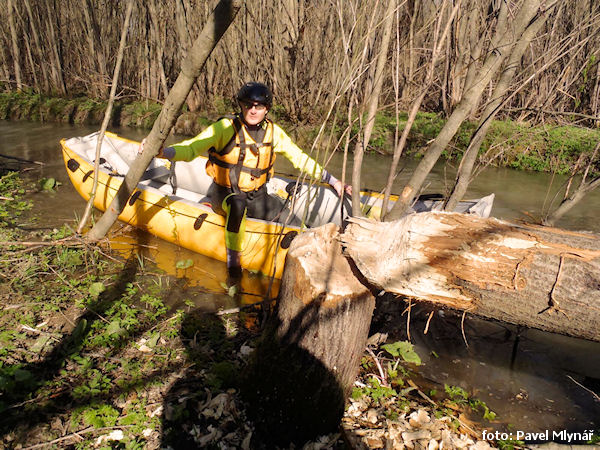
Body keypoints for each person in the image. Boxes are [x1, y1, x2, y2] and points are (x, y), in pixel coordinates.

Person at [144, 82, 351, 278]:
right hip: (224, 195)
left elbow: (300, 159)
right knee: (237, 203)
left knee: (291, 222)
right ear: (241, 106)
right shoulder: (224, 128)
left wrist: (333, 181)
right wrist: (163, 152)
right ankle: (233, 262)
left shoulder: (273, 132)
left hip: (257, 196)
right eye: (248, 105)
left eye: (259, 106)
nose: (253, 111)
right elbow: (191, 148)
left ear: (266, 109)